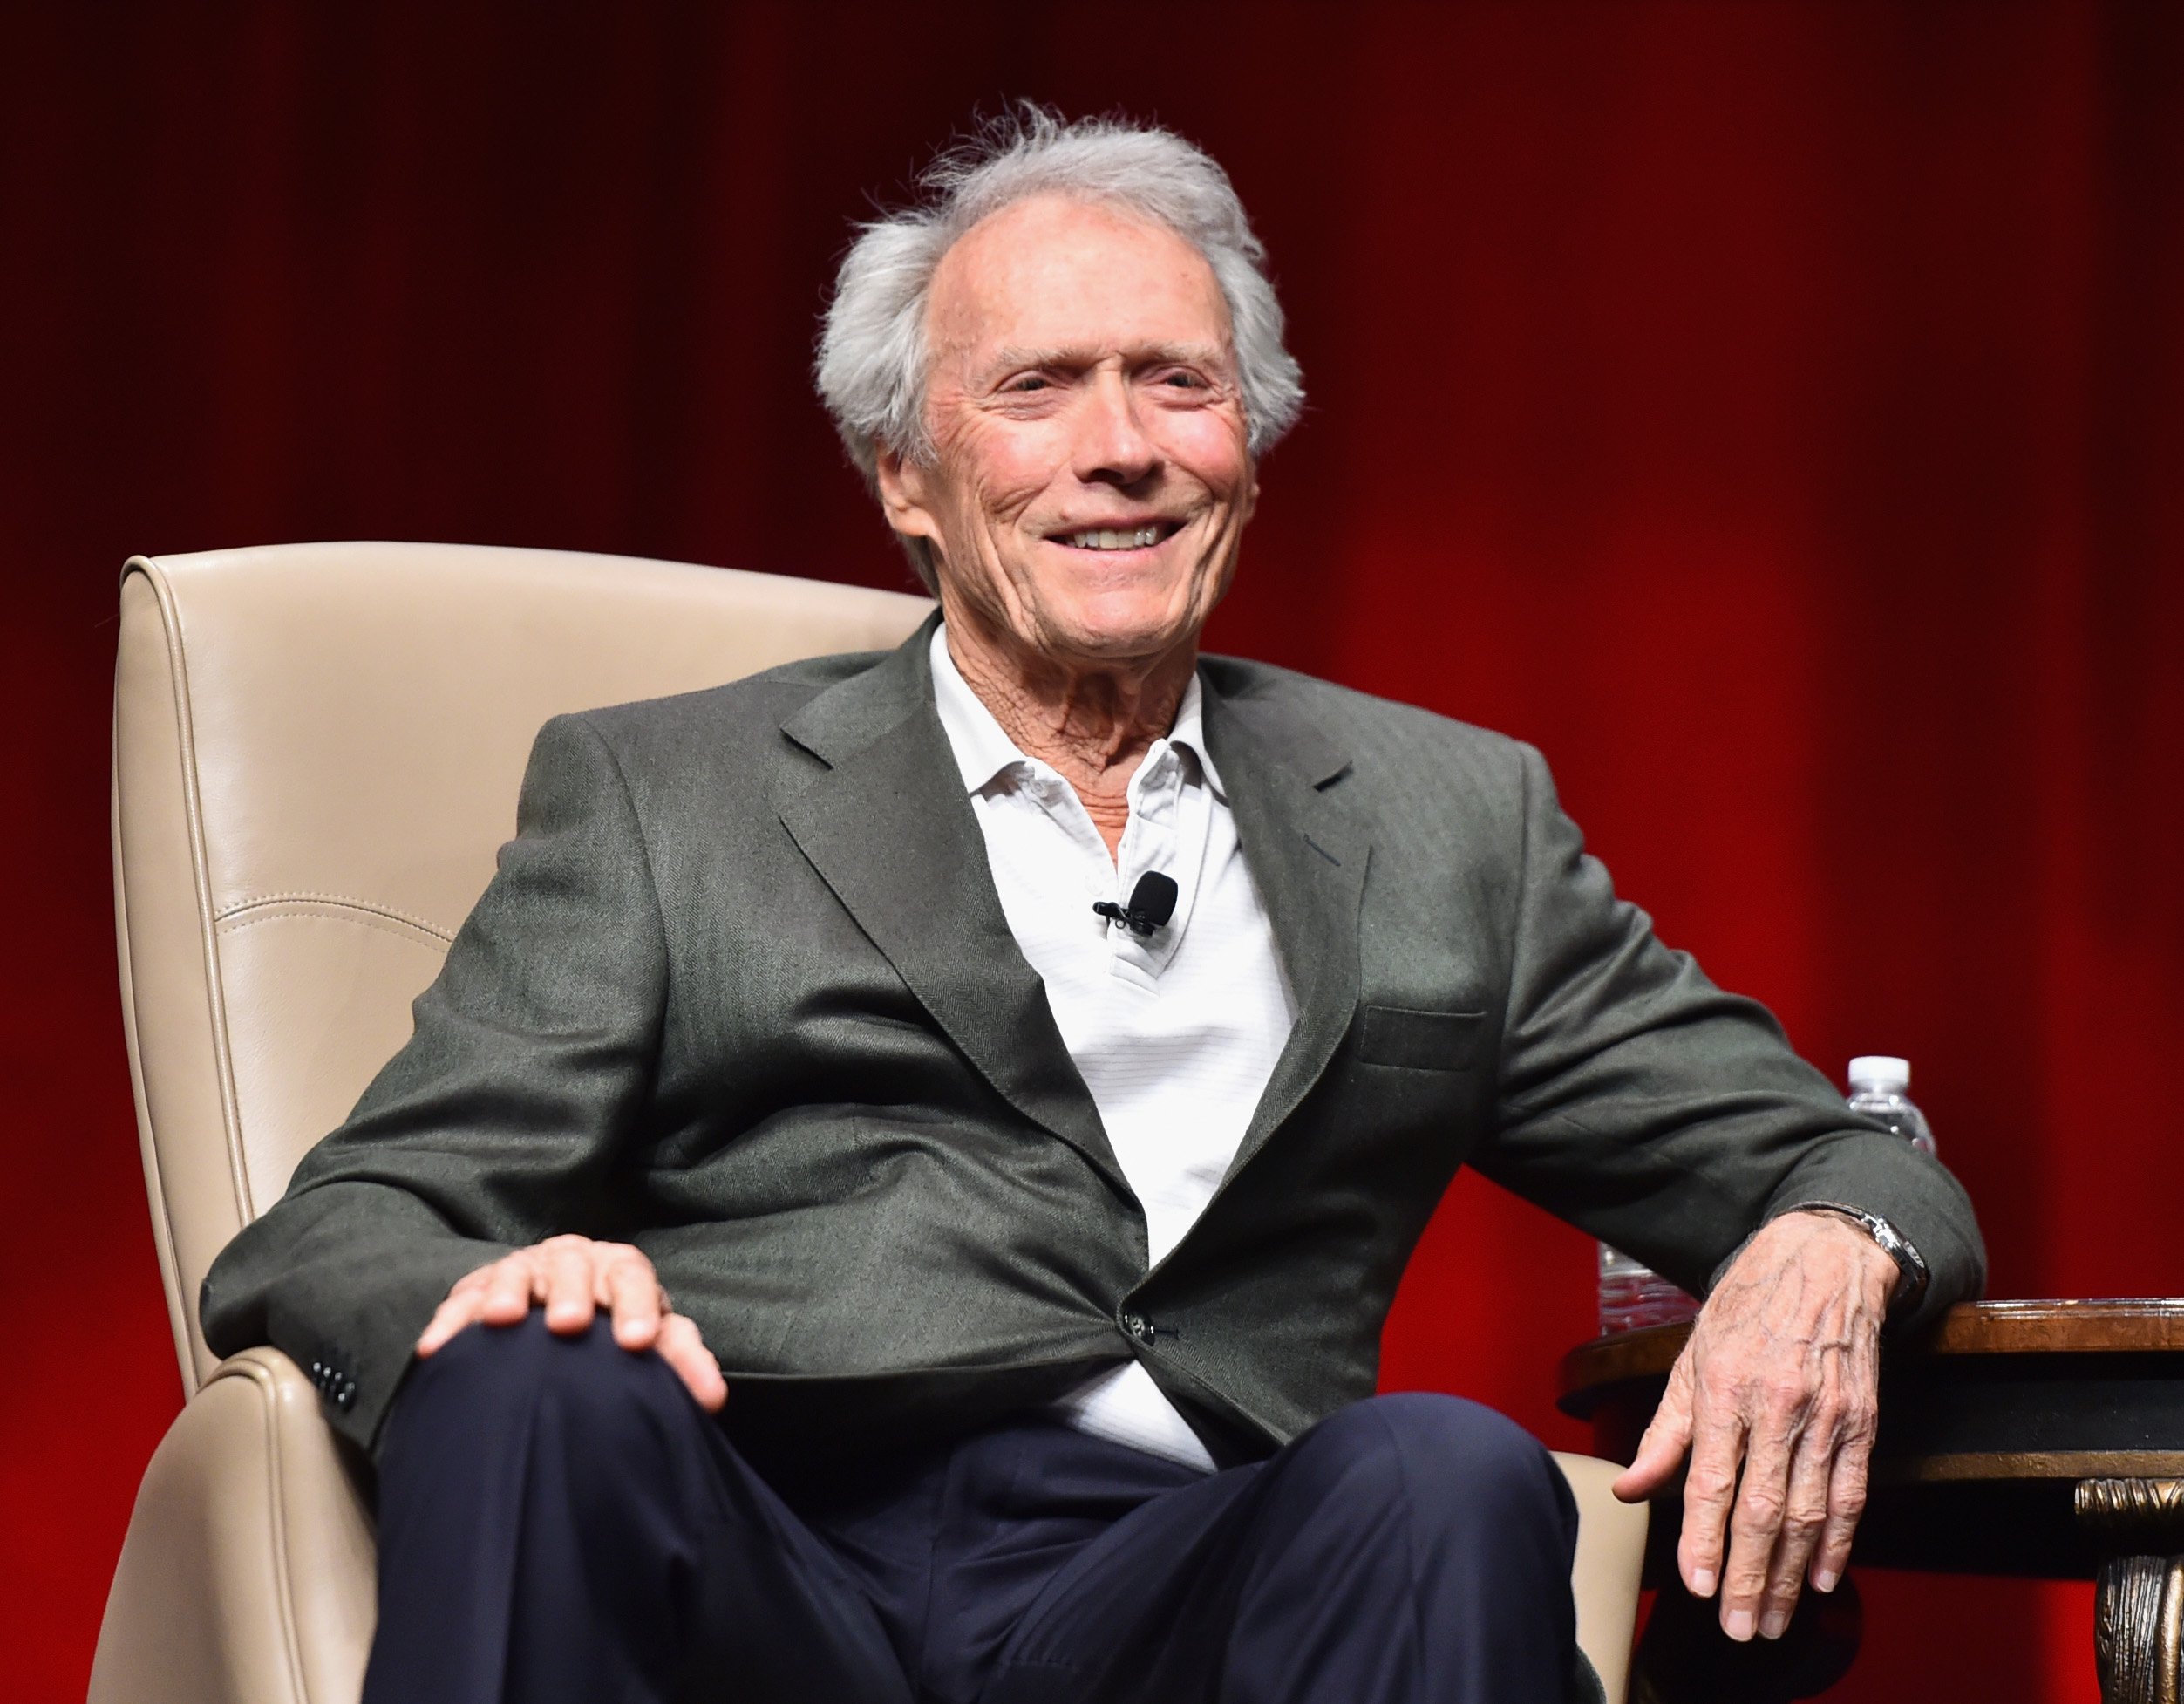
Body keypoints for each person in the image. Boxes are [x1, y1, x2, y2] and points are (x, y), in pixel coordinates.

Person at [201, 111, 1983, 1704]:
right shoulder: (673, 795)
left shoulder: (1452, 818)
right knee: (540, 1377)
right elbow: (344, 1224)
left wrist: (1835, 1242)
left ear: (1248, 451)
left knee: (1447, 1470)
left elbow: (1842, 1161)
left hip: (1181, 1578)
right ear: (906, 474)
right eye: (1035, 387)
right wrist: (509, 1275)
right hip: (763, 1551)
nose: (1117, 447)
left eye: (1175, 383)